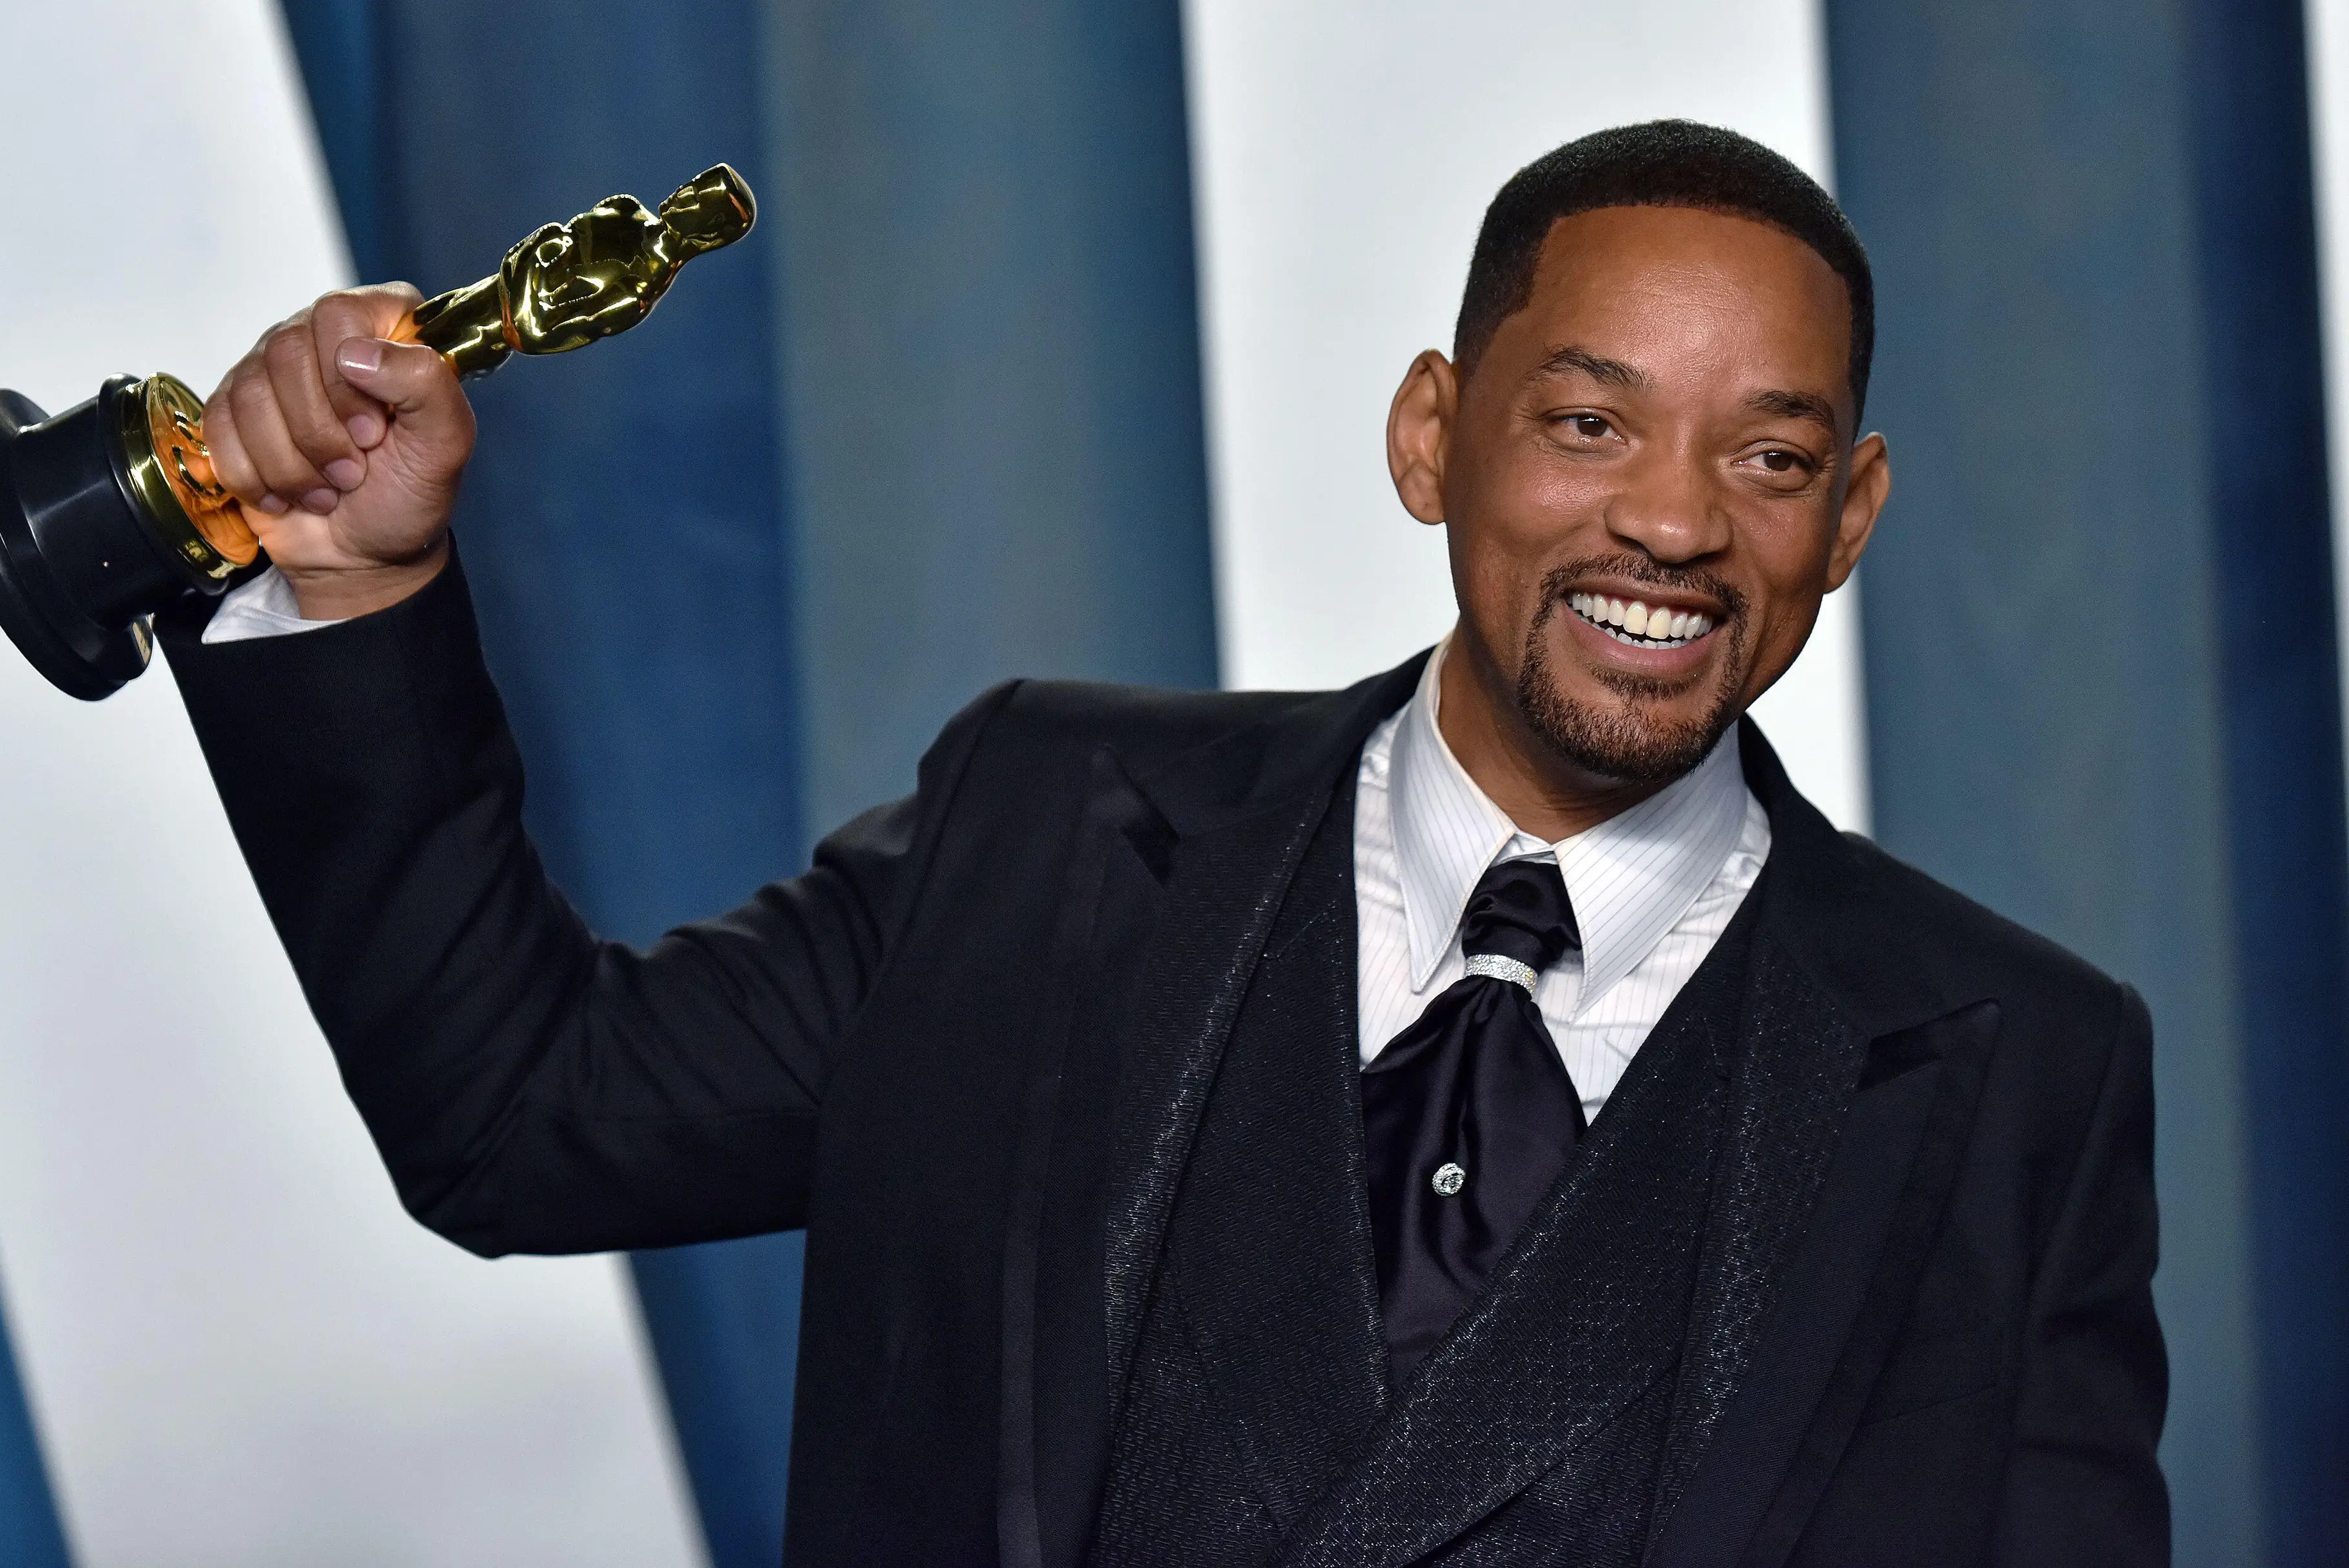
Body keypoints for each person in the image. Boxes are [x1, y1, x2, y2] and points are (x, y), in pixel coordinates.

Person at [163, 121, 2168, 1566]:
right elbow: (519, 1113)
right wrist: (350, 589)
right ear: (1429, 435)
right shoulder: (1043, 827)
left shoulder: (2024, 1083)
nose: (1672, 520)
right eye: (1587, 423)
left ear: (1855, 515)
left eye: (1772, 455)